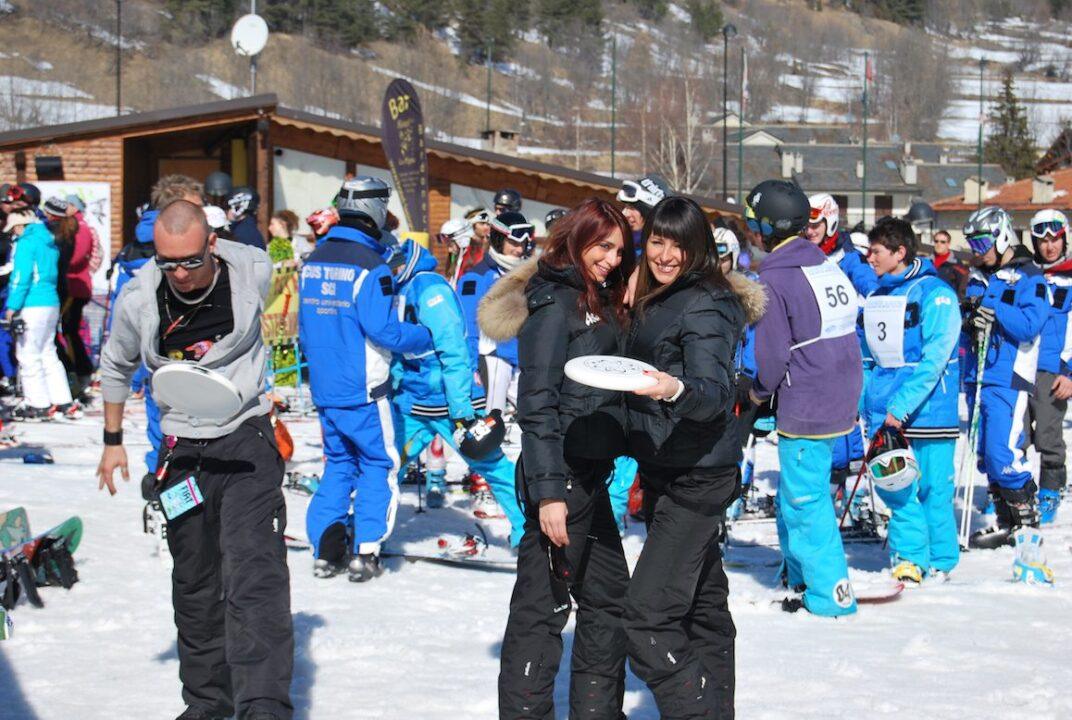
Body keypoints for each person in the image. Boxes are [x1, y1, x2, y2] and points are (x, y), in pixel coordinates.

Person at [96, 200, 294, 720]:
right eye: (168, 263)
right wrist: (112, 439)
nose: (180, 274)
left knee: (254, 576)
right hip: (182, 452)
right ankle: (207, 703)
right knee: (195, 582)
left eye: (190, 260)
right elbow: (115, 365)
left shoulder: (251, 269)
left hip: (246, 441)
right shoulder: (139, 297)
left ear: (211, 243)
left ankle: (262, 706)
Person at [493, 198, 634, 719]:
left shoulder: (592, 295)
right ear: (577, 240)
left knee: (610, 599)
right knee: (540, 613)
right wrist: (549, 493)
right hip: (561, 481)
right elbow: (537, 404)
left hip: (589, 480)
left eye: (619, 251)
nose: (611, 260)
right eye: (603, 247)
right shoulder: (554, 305)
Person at [620, 196, 760, 717]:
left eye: (678, 245)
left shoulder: (706, 302)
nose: (665, 254)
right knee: (704, 609)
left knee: (646, 618)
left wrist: (674, 389)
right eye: (657, 241)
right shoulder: (662, 293)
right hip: (668, 466)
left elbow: (713, 392)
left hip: (697, 474)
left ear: (698, 247)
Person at [298, 176, 432, 582]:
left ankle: (326, 549)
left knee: (338, 464)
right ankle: (366, 551)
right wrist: (425, 335)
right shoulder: (371, 266)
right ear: (375, 210)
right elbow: (384, 331)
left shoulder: (315, 259)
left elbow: (304, 325)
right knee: (378, 464)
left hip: (325, 386)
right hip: (364, 390)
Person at [746, 180, 861, 616]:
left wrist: (758, 392)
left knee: (805, 499)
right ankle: (798, 573)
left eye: (752, 223)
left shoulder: (774, 277)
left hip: (809, 398)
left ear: (766, 227)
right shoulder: (820, 261)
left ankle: (831, 592)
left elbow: (772, 355)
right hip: (839, 390)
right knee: (800, 490)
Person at [389, 238, 526, 545]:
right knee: (387, 465)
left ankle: (528, 534)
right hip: (413, 401)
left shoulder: (429, 289)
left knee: (492, 465)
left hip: (449, 403)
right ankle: (368, 534)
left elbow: (454, 350)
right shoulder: (399, 285)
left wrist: (462, 408)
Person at [862, 217, 961, 585]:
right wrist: (866, 405)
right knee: (897, 488)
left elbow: (935, 359)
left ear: (899, 252)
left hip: (930, 412)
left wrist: (901, 406)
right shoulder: (876, 297)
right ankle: (910, 558)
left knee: (934, 488)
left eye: (876, 251)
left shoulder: (936, 294)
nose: (870, 258)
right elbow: (868, 359)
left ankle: (941, 560)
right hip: (887, 414)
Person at [960, 207, 1050, 564]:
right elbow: (969, 317)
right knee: (984, 452)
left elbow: (1030, 325)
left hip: (1008, 375)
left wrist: (994, 311)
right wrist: (971, 318)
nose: (977, 251)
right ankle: (1005, 519)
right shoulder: (977, 276)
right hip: (978, 373)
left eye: (982, 242)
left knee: (1003, 450)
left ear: (1002, 236)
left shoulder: (1028, 276)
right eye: (972, 243)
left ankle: (1026, 520)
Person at [806, 193, 875, 501]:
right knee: (824, 419)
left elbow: (873, 291)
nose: (810, 231)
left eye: (816, 225)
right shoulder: (804, 255)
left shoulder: (848, 258)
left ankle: (857, 491)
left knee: (849, 416)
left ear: (830, 222)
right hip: (815, 352)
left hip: (847, 352)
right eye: (807, 226)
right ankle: (832, 482)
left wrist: (858, 313)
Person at [457, 211, 535, 416]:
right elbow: (468, 325)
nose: (519, 249)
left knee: (531, 414)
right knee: (493, 418)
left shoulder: (528, 273)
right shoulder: (477, 277)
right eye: (513, 243)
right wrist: (472, 366)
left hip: (521, 357)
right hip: (494, 357)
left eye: (523, 244)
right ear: (499, 240)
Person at [3, 210, 77, 421]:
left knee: (28, 354)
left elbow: (21, 276)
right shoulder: (49, 241)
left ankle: (37, 403)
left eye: (14, 230)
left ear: (20, 227)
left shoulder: (27, 243)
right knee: (48, 352)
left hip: (32, 303)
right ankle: (62, 399)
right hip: (51, 301)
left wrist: (12, 306)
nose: (14, 235)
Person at [1027, 209, 1072, 524]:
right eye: (1043, 241)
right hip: (1019, 367)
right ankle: (1011, 492)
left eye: (1055, 239)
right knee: (1014, 435)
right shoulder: (1024, 276)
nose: (1049, 246)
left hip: (1054, 369)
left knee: (1047, 433)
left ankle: (1050, 490)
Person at [43, 197, 95, 397]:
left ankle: (79, 371)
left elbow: (76, 257)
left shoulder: (77, 228)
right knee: (65, 332)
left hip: (74, 287)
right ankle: (77, 370)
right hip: (68, 285)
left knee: (68, 332)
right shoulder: (67, 228)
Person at [616, 173, 672, 248]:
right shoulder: (621, 242)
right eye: (624, 207)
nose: (625, 213)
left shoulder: (661, 252)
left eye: (632, 208)